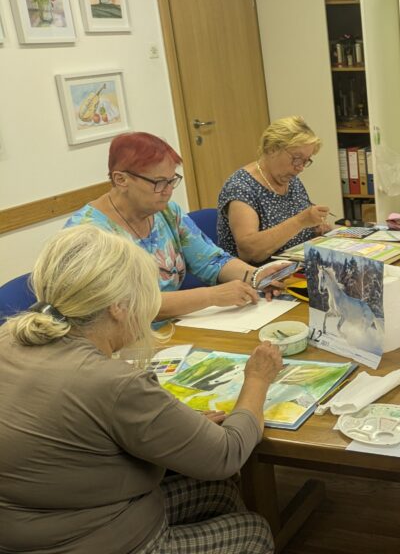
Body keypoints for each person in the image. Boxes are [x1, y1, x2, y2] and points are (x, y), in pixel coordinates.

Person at [0, 225, 281, 554]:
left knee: (218, 493)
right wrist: (258, 378)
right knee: (253, 532)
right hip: (90, 540)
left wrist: (176, 426)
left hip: (35, 524)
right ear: (118, 306)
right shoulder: (113, 382)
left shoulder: (8, 338)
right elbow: (227, 454)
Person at [66, 131, 287, 320]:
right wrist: (211, 296)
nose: (168, 191)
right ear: (121, 179)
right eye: (159, 182)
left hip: (175, 328)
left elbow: (211, 260)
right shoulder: (87, 234)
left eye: (172, 180)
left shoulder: (167, 212)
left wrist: (257, 276)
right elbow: (126, 306)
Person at [218, 115, 332, 263]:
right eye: (296, 158)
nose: (300, 168)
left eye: (306, 161)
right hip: (257, 274)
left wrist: (315, 230)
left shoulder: (291, 180)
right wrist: (301, 221)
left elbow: (295, 232)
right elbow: (249, 252)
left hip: (294, 266)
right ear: (272, 149)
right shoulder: (241, 187)